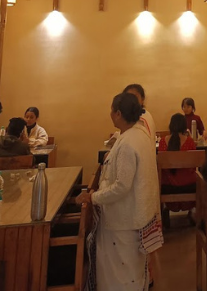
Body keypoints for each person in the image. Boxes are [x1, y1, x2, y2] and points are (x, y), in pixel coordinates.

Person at [76, 93, 162, 291]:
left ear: (118, 114)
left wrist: (93, 197)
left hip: (124, 221)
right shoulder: (139, 134)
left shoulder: (128, 143)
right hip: (136, 216)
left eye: (111, 110)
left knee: (121, 276)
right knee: (133, 271)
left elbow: (122, 186)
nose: (110, 114)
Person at [158, 113, 197, 213]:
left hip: (168, 186)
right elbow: (193, 167)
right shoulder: (189, 141)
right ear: (184, 126)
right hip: (188, 185)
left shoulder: (162, 141)